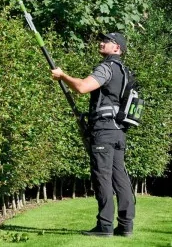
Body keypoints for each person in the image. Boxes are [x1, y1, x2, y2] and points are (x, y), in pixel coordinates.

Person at [51, 32, 135, 237]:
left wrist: (62, 76)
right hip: (118, 131)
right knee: (120, 177)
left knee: (102, 177)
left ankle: (105, 226)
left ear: (117, 48)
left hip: (104, 131)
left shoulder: (106, 67)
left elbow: (82, 87)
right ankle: (126, 227)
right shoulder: (126, 72)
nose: (101, 42)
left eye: (107, 41)